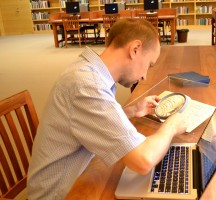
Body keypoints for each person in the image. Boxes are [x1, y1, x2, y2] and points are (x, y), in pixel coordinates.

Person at [27, 18, 187, 199]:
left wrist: (132, 111)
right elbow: (144, 160)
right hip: (59, 194)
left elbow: (91, 119)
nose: (144, 76)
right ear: (135, 49)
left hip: (82, 172)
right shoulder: (87, 85)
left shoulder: (89, 71)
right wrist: (171, 126)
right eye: (149, 65)